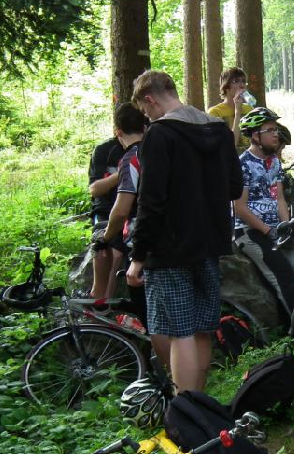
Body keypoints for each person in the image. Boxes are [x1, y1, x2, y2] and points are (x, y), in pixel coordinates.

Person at [127, 70, 243, 393]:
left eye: (145, 110)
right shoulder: (218, 129)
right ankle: (201, 404)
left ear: (150, 99)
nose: (147, 117)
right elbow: (235, 186)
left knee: (181, 332)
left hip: (170, 249)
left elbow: (150, 202)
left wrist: (137, 257)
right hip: (211, 243)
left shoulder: (160, 135)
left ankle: (185, 410)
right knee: (203, 328)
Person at [93, 102, 172, 367]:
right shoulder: (162, 151)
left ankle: (167, 378)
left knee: (154, 319)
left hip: (144, 243)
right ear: (145, 125)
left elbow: (121, 207)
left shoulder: (132, 158)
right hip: (176, 235)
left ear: (118, 132)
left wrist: (105, 236)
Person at [232, 107, 294, 324]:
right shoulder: (242, 164)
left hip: (275, 228)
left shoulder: (274, 162)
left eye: (275, 130)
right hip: (250, 231)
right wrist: (267, 230)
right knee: (285, 278)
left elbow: (279, 198)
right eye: (269, 130)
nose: (275, 134)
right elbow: (239, 207)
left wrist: (286, 226)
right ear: (255, 136)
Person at [87, 136, 126, 298]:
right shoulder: (105, 150)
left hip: (134, 210)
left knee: (117, 251)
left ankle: (105, 301)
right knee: (106, 248)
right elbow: (95, 190)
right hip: (108, 209)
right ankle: (99, 297)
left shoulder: (150, 146)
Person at [207, 67, 254, 154]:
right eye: (236, 81)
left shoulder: (249, 109)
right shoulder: (215, 112)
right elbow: (230, 146)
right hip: (229, 162)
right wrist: (237, 112)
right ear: (226, 87)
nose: (242, 85)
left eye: (243, 81)